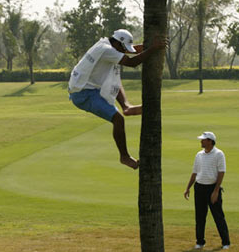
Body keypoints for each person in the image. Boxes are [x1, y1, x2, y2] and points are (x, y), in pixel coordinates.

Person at [68, 29, 167, 170]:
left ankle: (126, 106)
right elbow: (132, 62)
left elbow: (132, 51)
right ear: (118, 43)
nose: (125, 51)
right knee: (118, 120)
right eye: (123, 48)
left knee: (114, 75)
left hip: (89, 88)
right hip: (83, 93)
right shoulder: (107, 50)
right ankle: (124, 156)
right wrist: (153, 48)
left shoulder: (105, 44)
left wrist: (151, 46)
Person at [184, 132, 231, 250]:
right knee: (199, 216)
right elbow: (195, 172)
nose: (201, 141)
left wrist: (215, 191)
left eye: (203, 140)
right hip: (199, 187)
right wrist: (188, 187)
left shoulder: (219, 154)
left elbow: (221, 173)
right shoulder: (199, 155)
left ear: (210, 141)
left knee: (218, 216)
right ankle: (200, 241)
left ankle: (226, 242)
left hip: (212, 188)